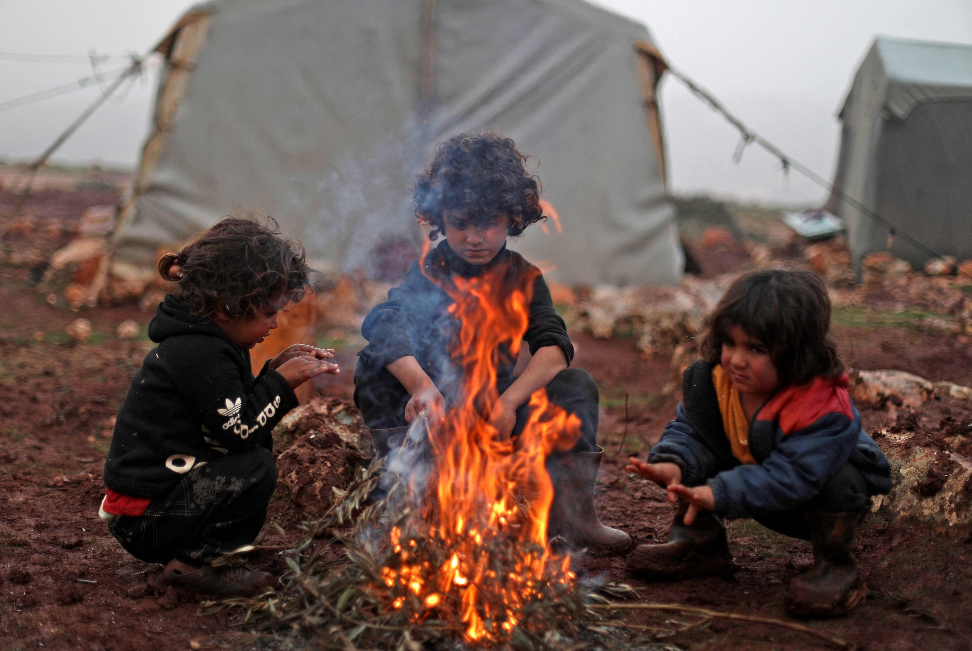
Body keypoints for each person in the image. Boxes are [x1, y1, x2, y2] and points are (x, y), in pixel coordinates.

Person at [353, 132, 632, 556]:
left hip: (493, 408)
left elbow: (554, 347)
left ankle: (571, 518)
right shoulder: (432, 269)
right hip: (434, 412)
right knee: (375, 363)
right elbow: (387, 323)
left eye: (488, 224)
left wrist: (508, 403)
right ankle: (403, 498)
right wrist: (421, 387)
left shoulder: (523, 277)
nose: (474, 238)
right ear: (439, 219)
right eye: (460, 224)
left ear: (512, 217)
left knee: (575, 385)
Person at [626, 269, 892, 617]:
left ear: (797, 352)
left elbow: (794, 474)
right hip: (751, 485)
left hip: (806, 503)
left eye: (756, 349)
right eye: (730, 343)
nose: (736, 359)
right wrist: (672, 463)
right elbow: (690, 431)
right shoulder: (714, 385)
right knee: (696, 450)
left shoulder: (821, 406)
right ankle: (700, 546)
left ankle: (836, 566)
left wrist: (718, 493)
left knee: (840, 477)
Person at [100, 215, 339, 597]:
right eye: (268, 313)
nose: (275, 324)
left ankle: (194, 556)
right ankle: (187, 568)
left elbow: (232, 409)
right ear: (228, 306)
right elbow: (240, 433)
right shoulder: (198, 353)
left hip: (161, 505)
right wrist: (282, 384)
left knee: (254, 462)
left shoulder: (213, 342)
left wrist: (274, 370)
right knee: (255, 467)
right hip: (146, 520)